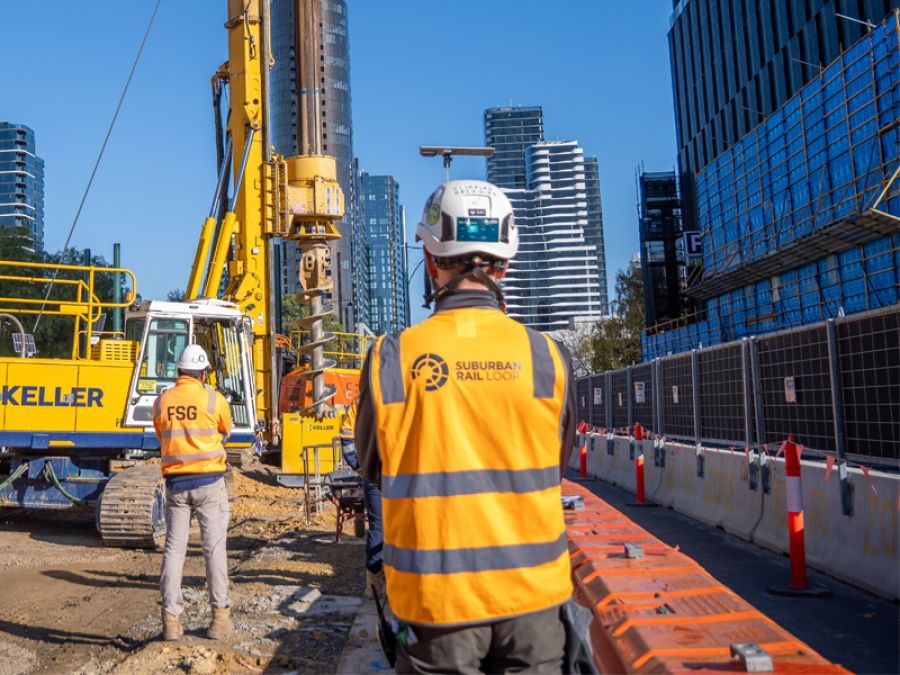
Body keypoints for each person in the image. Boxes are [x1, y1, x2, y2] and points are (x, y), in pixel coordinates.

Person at [355, 180, 576, 674]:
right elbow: (556, 462)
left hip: (437, 605)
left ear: (431, 261)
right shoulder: (549, 357)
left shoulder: (390, 359)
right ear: (506, 264)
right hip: (534, 601)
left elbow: (373, 468)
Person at [153, 344, 233, 641]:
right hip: (210, 483)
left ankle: (171, 622)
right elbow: (227, 427)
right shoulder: (214, 398)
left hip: (176, 484)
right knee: (213, 549)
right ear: (202, 372)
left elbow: (162, 434)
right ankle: (219, 619)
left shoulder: (163, 401)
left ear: (178, 371)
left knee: (174, 549)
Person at [338, 397, 384, 596]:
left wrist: (358, 464)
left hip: (374, 472)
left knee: (378, 527)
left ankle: (374, 585)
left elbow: (347, 436)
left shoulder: (362, 399)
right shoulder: (408, 391)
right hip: (403, 474)